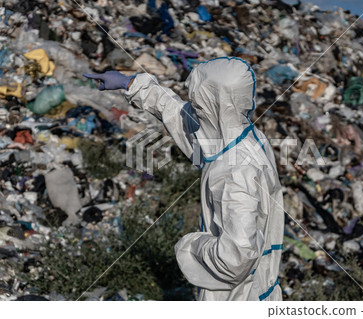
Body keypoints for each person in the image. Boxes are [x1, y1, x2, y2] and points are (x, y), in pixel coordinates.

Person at [83, 57, 284, 301]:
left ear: (216, 104)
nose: (195, 109)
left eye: (199, 104)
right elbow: (183, 119)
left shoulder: (236, 170)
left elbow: (236, 257)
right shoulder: (244, 136)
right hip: (259, 288)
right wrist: (132, 84)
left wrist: (192, 245)